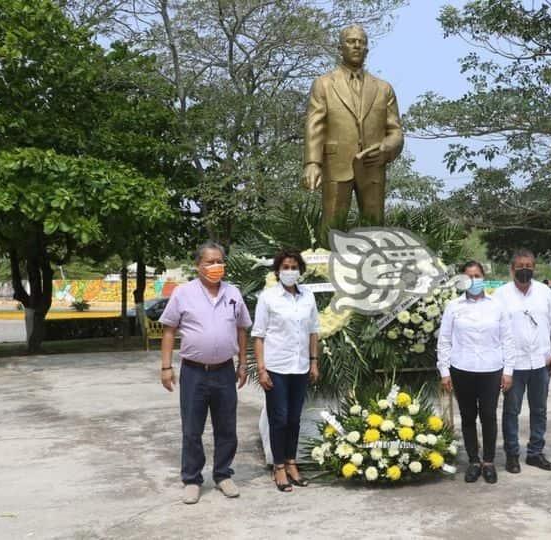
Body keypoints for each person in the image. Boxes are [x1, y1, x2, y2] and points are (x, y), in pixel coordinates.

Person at [159, 241, 252, 504]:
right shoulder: (183, 293)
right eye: (210, 262)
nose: (216, 266)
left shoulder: (233, 293)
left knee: (227, 427)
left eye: (219, 261)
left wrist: (243, 363)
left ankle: (223, 474)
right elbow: (168, 330)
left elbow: (242, 329)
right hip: (194, 372)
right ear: (198, 266)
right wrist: (166, 367)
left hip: (224, 371)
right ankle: (192, 479)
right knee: (192, 428)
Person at [303, 24, 404, 229]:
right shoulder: (323, 84)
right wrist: (312, 163)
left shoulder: (383, 89)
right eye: (351, 41)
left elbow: (395, 131)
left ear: (367, 49)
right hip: (336, 164)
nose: (357, 46)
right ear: (340, 48)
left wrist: (386, 149)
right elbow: (315, 125)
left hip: (373, 166)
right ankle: (328, 261)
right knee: (332, 226)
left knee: (375, 228)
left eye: (361, 42)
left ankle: (374, 262)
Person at [437, 261, 516, 483]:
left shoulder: (497, 305)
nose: (474, 280)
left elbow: (507, 340)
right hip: (462, 368)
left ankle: (489, 461)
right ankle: (473, 460)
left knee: (489, 416)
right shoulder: (453, 306)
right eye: (469, 276)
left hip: (491, 369)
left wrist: (508, 371)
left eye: (477, 275)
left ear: (484, 276)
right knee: (468, 416)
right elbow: (444, 341)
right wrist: (444, 371)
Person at [493, 249, 551, 474]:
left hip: (541, 363)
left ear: (534, 268)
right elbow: (494, 331)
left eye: (529, 266)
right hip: (513, 365)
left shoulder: (544, 292)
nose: (524, 270)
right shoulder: (500, 295)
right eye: (520, 266)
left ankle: (535, 453)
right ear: (512, 269)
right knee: (511, 412)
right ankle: (512, 455)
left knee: (539, 410)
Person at [251, 250, 320, 492]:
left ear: (300, 271)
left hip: (300, 366)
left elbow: (313, 331)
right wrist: (261, 369)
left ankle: (292, 463)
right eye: (285, 267)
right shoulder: (268, 298)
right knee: (278, 418)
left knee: (294, 418)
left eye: (294, 267)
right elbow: (258, 335)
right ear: (278, 271)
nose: (289, 271)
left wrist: (313, 362)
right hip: (276, 367)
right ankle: (278, 466)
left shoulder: (308, 297)